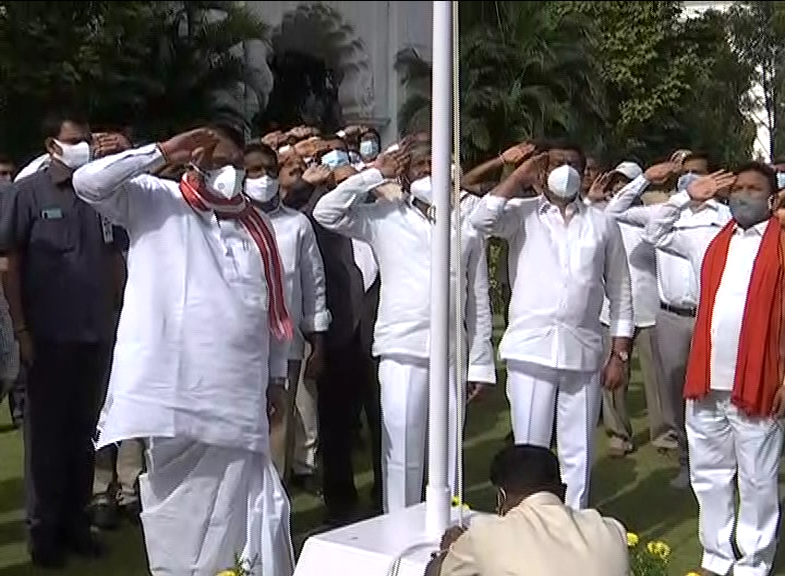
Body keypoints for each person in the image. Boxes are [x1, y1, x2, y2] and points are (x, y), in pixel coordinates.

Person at [71, 125, 294, 576]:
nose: (227, 172)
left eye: (234, 163)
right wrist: (161, 150)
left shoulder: (257, 226)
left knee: (247, 507)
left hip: (239, 395)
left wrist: (274, 377)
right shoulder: (156, 198)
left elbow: (265, 308)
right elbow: (87, 182)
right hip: (176, 396)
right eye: (216, 161)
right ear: (193, 160)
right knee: (182, 510)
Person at [313, 142, 496, 513]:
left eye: (437, 163)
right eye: (421, 165)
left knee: (447, 453)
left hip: (450, 351)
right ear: (406, 173)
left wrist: (479, 362)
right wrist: (375, 173)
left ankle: (446, 532)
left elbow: (477, 298)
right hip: (400, 349)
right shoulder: (384, 216)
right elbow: (325, 211)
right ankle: (398, 527)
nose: (430, 170)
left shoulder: (467, 223)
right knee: (402, 448)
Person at [470, 142, 633, 509]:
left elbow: (622, 291)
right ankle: (530, 522)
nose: (566, 170)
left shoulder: (602, 223)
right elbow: (481, 220)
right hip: (530, 348)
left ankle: (572, 523)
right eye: (556, 163)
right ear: (541, 171)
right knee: (531, 447)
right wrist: (519, 176)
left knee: (579, 449)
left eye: (573, 163)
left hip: (584, 348)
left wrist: (620, 353)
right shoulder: (522, 214)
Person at [0, 111, 127, 567]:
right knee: (45, 443)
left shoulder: (100, 194)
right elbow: (9, 265)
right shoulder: (27, 195)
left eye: (88, 139)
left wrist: (117, 317)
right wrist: (21, 331)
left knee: (83, 438)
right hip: (47, 337)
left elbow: (114, 257)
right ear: (52, 146)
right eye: (75, 140)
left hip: (94, 335)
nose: (85, 147)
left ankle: (76, 524)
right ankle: (43, 532)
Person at [646, 164, 784, 576]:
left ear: (773, 197)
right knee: (709, 474)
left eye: (754, 189)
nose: (743, 195)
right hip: (707, 380)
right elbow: (656, 232)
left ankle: (754, 562)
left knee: (758, 480)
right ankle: (716, 556)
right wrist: (688, 196)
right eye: (738, 188)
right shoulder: (710, 240)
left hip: (758, 380)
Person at [600, 152, 728, 489]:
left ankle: (722, 465)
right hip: (670, 316)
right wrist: (646, 180)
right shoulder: (664, 211)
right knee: (673, 393)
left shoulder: (726, 217)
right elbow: (613, 212)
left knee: (714, 394)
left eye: (698, 173)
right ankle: (687, 463)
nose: (692, 179)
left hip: (711, 316)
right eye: (685, 174)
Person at [243, 142, 330, 481]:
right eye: (254, 170)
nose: (262, 177)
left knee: (278, 433)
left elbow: (314, 285)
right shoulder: (227, 221)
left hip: (286, 346)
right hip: (240, 346)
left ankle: (277, 509)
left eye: (268, 169)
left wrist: (317, 343)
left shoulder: (297, 225)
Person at [425, 444, 629, 576]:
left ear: (502, 497)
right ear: (563, 491)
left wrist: (448, 550)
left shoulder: (487, 535)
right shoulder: (611, 531)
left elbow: (435, 574)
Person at [587, 161, 676, 457]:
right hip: (610, 311)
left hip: (649, 306)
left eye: (625, 183)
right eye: (615, 183)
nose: (617, 189)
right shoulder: (600, 216)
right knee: (612, 375)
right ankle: (618, 434)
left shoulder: (654, 215)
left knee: (657, 379)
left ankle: (664, 434)